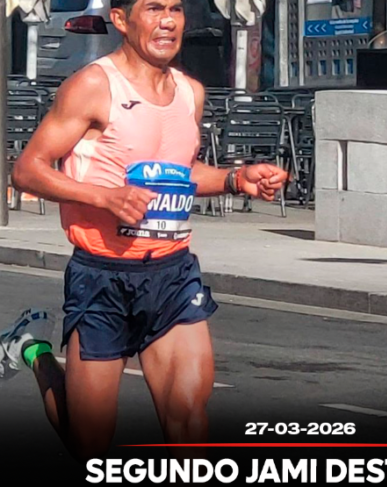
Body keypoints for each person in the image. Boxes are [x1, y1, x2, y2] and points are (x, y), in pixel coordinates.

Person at [0, 0, 287, 462]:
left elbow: (179, 171)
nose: (168, 21)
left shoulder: (190, 92)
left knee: (188, 421)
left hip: (172, 275)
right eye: (153, 8)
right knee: (89, 443)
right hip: (102, 276)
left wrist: (236, 178)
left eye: (175, 9)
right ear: (121, 20)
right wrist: (104, 197)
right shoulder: (93, 86)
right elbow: (27, 170)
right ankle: (32, 350)